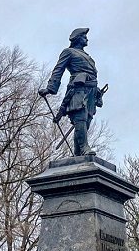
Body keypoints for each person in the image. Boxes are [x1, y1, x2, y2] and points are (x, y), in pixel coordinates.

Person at [39, 28, 105, 156]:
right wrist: (50, 88)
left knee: (86, 121)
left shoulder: (88, 57)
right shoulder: (68, 52)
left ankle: (78, 154)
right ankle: (84, 147)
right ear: (78, 38)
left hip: (91, 90)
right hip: (78, 89)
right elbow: (58, 69)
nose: (87, 39)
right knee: (80, 118)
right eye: (84, 37)